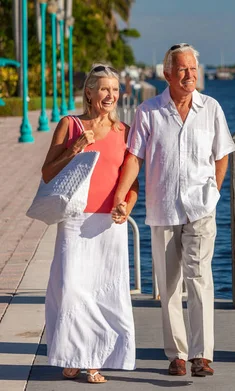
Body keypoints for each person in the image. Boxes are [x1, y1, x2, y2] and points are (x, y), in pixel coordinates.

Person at [113, 43, 235, 377]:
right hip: (163, 207)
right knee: (168, 286)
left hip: (200, 207)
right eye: (182, 69)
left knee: (200, 280)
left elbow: (222, 153)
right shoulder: (148, 111)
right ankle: (177, 355)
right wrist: (121, 196)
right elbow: (134, 158)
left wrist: (213, 191)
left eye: (193, 68)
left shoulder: (210, 108)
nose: (190, 74)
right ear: (167, 73)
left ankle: (201, 354)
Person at [41, 64, 139, 384]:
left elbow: (133, 184)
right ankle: (73, 354)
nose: (110, 95)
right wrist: (75, 149)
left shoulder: (124, 132)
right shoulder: (69, 125)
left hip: (108, 224)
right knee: (70, 290)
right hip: (73, 218)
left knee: (103, 292)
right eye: (104, 89)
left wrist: (126, 206)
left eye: (114, 89)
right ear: (89, 92)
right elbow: (47, 173)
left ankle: (91, 360)